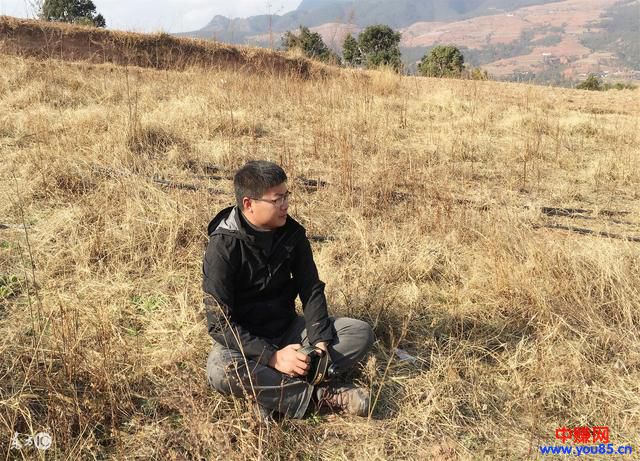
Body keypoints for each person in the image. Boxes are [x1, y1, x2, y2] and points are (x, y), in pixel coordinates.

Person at [203, 160, 374, 420]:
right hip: (245, 346)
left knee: (359, 333)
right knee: (221, 371)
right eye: (277, 199)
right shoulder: (222, 247)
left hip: (288, 331)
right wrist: (272, 357)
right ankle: (320, 396)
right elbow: (219, 324)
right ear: (249, 204)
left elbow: (311, 287)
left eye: (286, 196)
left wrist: (319, 341)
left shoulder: (291, 233)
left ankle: (272, 394)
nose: (285, 205)